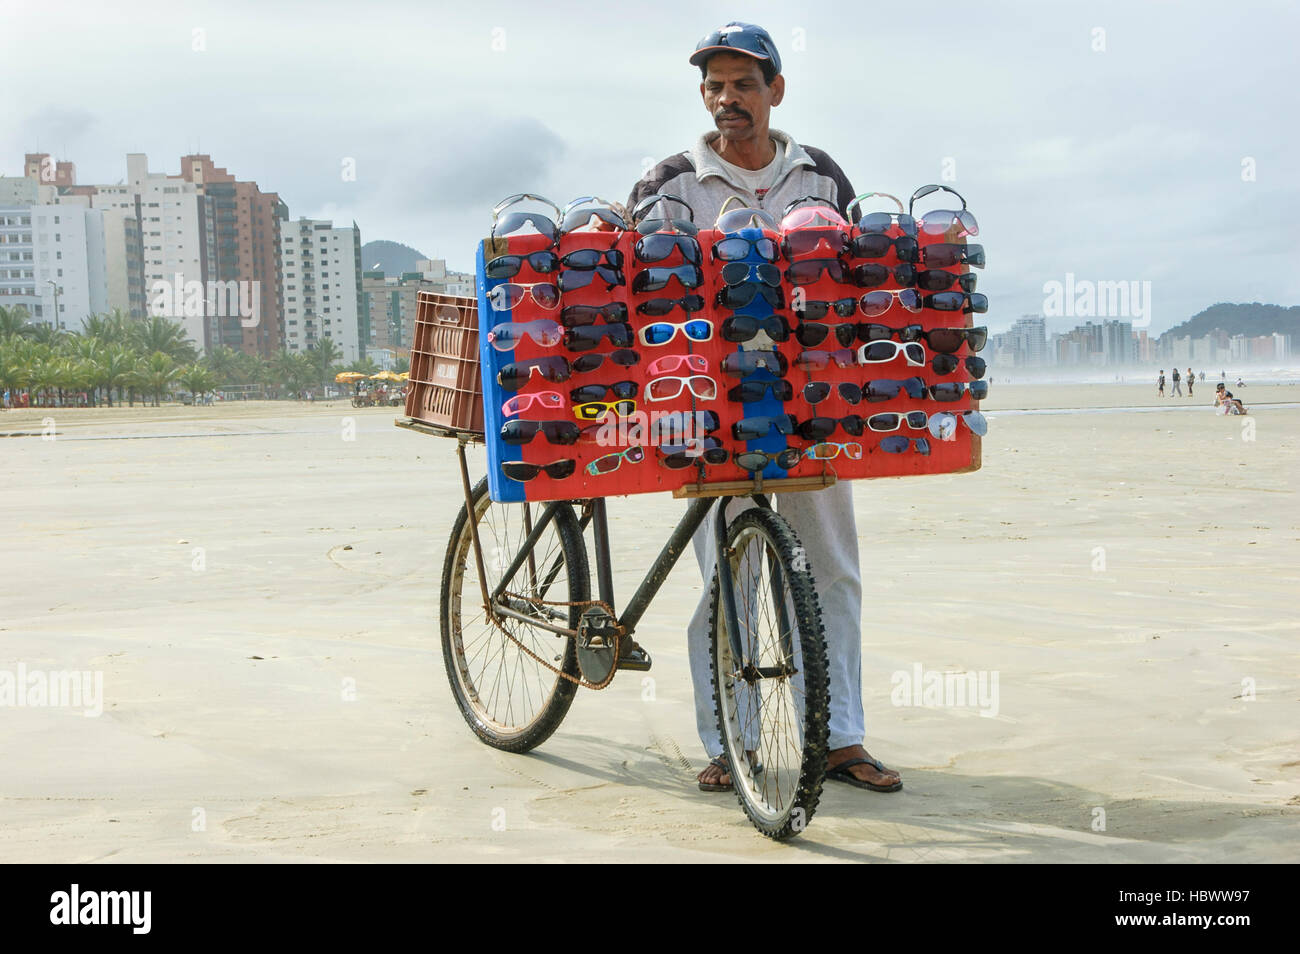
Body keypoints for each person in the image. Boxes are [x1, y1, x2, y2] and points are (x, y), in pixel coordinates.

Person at [627, 21, 901, 795]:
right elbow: (639, 298)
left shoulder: (821, 177)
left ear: (775, 91)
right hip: (711, 408)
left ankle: (841, 737)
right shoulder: (668, 182)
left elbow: (858, 286)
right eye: (714, 85)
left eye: (743, 84)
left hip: (814, 406)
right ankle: (733, 741)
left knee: (832, 573)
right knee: (730, 578)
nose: (726, 100)